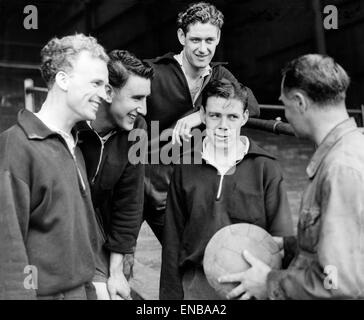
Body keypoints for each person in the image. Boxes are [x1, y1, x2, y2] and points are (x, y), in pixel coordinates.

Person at [219, 54, 364, 300]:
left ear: (299, 102)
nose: (285, 115)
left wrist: (269, 283)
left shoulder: (341, 168)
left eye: (284, 105)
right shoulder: (353, 148)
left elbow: (340, 281)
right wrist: (289, 246)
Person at [159, 79, 294, 300]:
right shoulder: (185, 166)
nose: (223, 125)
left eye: (232, 117)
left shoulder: (266, 168)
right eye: (215, 116)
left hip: (250, 288)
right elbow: (172, 239)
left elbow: (281, 241)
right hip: (197, 287)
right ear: (202, 115)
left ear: (245, 117)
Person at [0, 34, 110, 299]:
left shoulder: (75, 146)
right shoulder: (17, 145)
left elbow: (86, 235)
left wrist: (98, 282)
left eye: (105, 86)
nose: (103, 95)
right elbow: (8, 248)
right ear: (63, 80)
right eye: (95, 83)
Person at [143, 1, 260, 243]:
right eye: (195, 40)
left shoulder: (219, 76)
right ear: (181, 36)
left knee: (189, 260)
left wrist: (201, 114)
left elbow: (252, 105)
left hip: (186, 190)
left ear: (218, 38)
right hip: (144, 183)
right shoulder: (154, 73)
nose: (203, 49)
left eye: (209, 40)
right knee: (121, 262)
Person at [77, 50, 153, 300]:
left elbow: (129, 201)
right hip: (64, 225)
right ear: (108, 92)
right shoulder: (73, 123)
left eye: (146, 99)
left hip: (104, 228)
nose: (143, 109)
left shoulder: (137, 129)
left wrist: (116, 269)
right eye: (137, 98)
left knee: (116, 293)